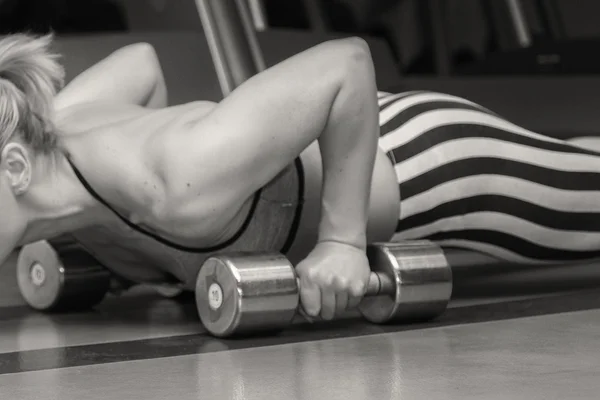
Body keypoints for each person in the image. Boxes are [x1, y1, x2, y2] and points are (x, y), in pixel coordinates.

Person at [2, 34, 600, 323]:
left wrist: (341, 240)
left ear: (14, 168)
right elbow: (141, 63)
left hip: (432, 164)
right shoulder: (54, 135)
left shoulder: (181, 173)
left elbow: (348, 63)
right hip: (371, 141)